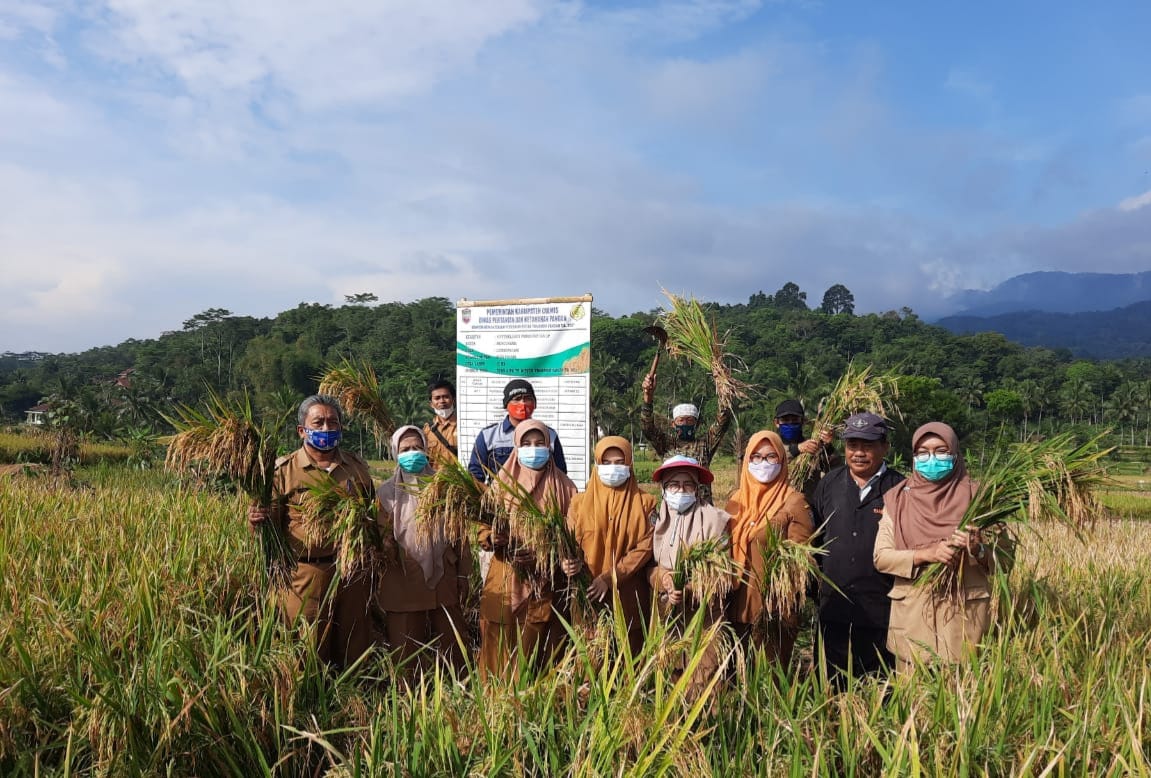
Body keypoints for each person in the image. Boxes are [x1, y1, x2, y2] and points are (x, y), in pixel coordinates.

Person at [247, 395, 375, 669]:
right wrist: (256, 520)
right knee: (306, 651)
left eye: (333, 422)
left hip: (351, 573)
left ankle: (357, 706)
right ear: (302, 430)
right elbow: (264, 527)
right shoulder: (282, 471)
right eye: (318, 422)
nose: (327, 428)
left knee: (354, 646)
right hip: (304, 575)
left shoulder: (356, 467)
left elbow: (371, 514)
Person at [873, 422, 997, 673]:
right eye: (923, 452)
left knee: (966, 704)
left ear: (955, 454)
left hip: (965, 626)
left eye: (941, 451)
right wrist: (924, 555)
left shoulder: (981, 499)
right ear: (914, 457)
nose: (932, 458)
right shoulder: (897, 499)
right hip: (912, 624)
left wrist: (978, 548)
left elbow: (1004, 561)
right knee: (912, 704)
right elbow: (881, 557)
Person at [809, 412, 905, 685]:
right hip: (833, 608)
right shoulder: (830, 483)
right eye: (852, 445)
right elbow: (812, 535)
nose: (859, 453)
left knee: (878, 688)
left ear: (884, 446)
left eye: (868, 445)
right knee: (829, 686)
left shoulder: (900, 488)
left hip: (881, 610)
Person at [478, 419, 578, 678]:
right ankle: (495, 704)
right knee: (499, 642)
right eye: (526, 443)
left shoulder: (566, 488)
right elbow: (481, 525)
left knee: (541, 647)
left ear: (549, 446)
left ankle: (537, 706)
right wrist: (493, 537)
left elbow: (573, 535)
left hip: (545, 582)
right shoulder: (500, 485)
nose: (534, 449)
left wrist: (548, 554)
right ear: (516, 446)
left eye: (540, 443)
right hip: (504, 575)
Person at [376, 425, 469, 678]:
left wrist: (463, 575)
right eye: (405, 449)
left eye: (417, 448)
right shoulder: (385, 493)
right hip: (403, 577)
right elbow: (382, 537)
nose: (412, 453)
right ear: (395, 453)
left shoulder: (445, 488)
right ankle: (410, 698)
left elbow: (461, 537)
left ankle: (458, 691)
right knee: (406, 647)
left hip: (444, 577)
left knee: (453, 641)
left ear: (427, 451)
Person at [646, 455, 732, 699]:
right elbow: (646, 568)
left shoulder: (715, 520)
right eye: (674, 485)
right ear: (664, 489)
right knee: (669, 680)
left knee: (704, 681)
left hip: (704, 617)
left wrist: (690, 587)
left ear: (697, 489)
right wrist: (663, 579)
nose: (681, 491)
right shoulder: (655, 521)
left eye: (688, 485)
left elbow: (724, 574)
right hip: (666, 617)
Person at [725, 431, 814, 666]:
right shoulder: (735, 500)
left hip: (772, 612)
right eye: (755, 457)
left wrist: (778, 599)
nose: (762, 463)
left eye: (771, 457)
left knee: (768, 681)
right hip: (734, 606)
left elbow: (801, 560)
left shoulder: (794, 501)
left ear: (782, 460)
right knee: (734, 679)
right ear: (746, 461)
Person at [564, 436, 655, 656]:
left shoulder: (646, 502)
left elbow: (645, 546)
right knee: (590, 658)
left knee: (627, 661)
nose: (613, 468)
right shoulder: (578, 503)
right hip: (589, 594)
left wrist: (611, 577)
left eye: (619, 462)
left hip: (628, 594)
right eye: (606, 462)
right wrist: (565, 562)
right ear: (596, 464)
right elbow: (567, 542)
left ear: (630, 464)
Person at [469, 379, 567, 483]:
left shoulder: (550, 435)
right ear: (506, 404)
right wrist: (491, 496)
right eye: (517, 399)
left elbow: (560, 473)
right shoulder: (488, 436)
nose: (523, 403)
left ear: (534, 404)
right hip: (500, 497)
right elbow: (475, 476)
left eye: (527, 399)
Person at [640, 372, 731, 468]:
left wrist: (723, 389)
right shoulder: (666, 444)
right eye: (680, 420)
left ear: (697, 423)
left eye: (690, 420)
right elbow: (647, 429)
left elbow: (723, 422)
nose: (685, 423)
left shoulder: (705, 444)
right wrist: (648, 399)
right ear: (673, 424)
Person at [774, 398, 842, 502]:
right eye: (785, 420)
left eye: (794, 420)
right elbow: (775, 459)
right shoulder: (771, 446)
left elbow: (837, 471)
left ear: (803, 421)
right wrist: (796, 449)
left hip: (808, 506)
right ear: (777, 423)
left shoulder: (814, 447)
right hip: (778, 505)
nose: (790, 424)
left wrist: (828, 448)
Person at [423, 379, 459, 468]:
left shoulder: (464, 427)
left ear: (453, 400)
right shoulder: (426, 431)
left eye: (446, 397)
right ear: (431, 404)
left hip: (459, 481)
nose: (442, 401)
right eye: (437, 398)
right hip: (433, 481)